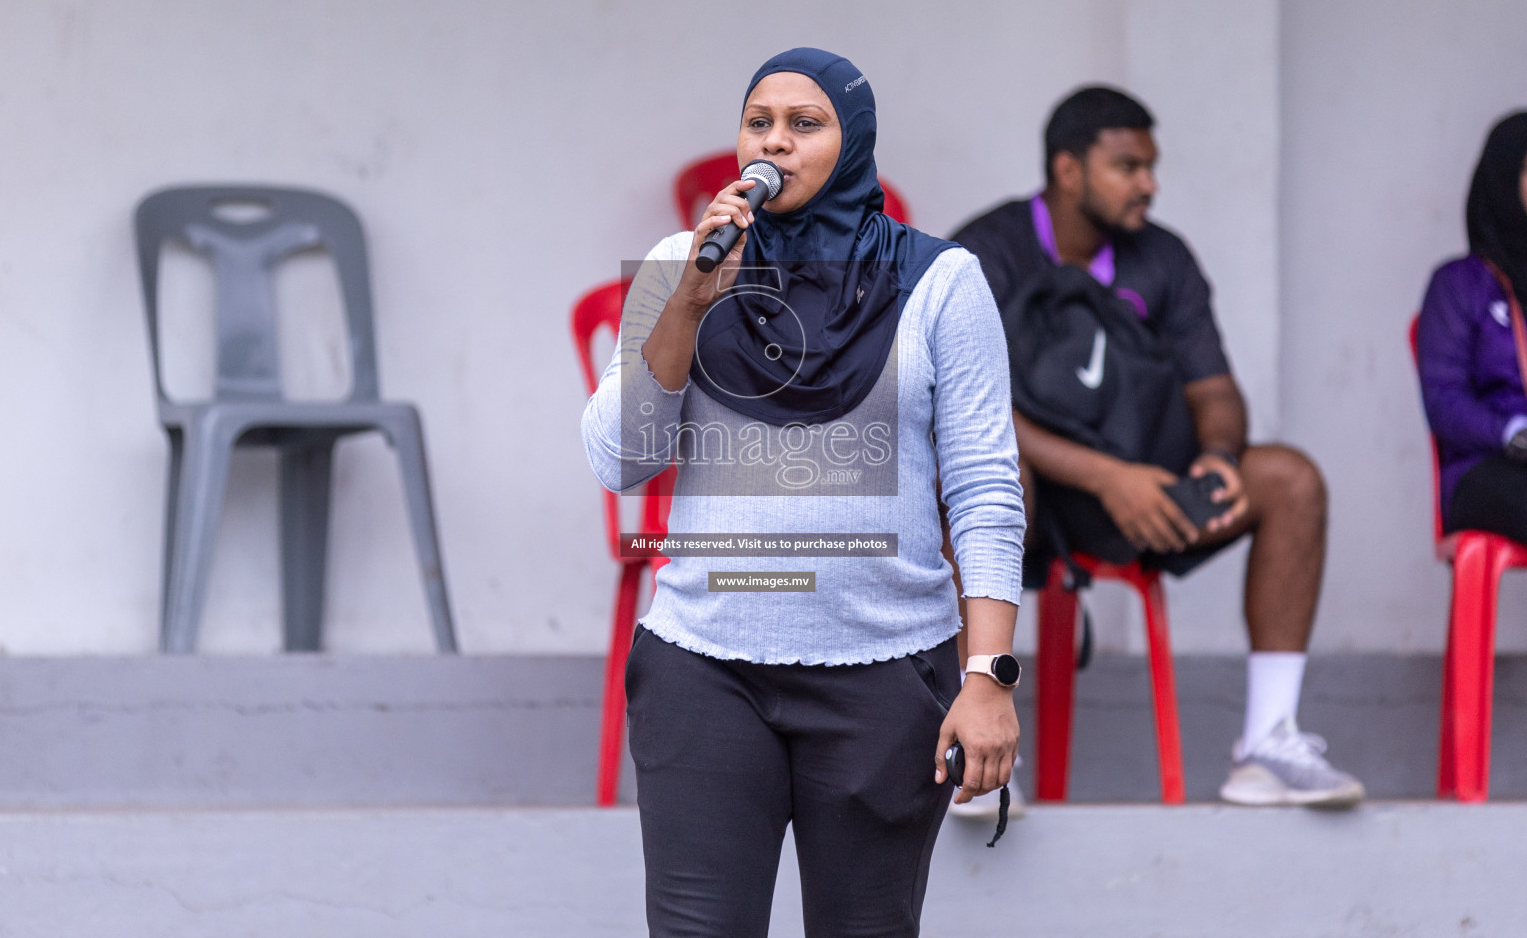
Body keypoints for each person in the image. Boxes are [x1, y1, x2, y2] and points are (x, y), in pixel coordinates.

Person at [581, 48, 1026, 938]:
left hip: (887, 677)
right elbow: (620, 460)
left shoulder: (942, 282)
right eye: (759, 123)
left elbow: (984, 492)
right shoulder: (682, 263)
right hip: (705, 667)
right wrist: (687, 306)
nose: (774, 144)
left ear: (853, 143)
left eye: (803, 125)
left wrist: (988, 678)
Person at [950, 85, 1364, 808]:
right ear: (1069, 170)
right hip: (1034, 500)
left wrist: (1219, 458)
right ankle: (978, 748)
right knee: (992, 472)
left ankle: (1269, 740)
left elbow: (1215, 393)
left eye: (1151, 165)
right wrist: (1108, 477)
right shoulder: (988, 250)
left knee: (1291, 480)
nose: (1149, 183)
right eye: (1128, 166)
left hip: (1150, 499)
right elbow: (960, 405)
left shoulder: (1162, 256)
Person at [1417, 111, 1527, 544]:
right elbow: (1444, 400)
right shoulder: (1459, 284)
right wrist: (1511, 432)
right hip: (1486, 467)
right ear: (1503, 179)